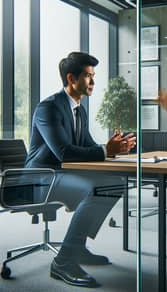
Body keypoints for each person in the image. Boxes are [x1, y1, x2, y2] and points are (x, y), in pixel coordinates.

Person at [25, 51, 136, 288]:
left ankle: (77, 247)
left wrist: (115, 149)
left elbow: (85, 146)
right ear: (71, 78)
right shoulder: (48, 108)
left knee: (115, 183)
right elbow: (64, 152)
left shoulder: (80, 110)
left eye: (93, 75)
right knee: (95, 188)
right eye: (87, 76)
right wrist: (106, 150)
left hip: (61, 175)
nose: (93, 81)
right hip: (39, 179)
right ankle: (64, 262)